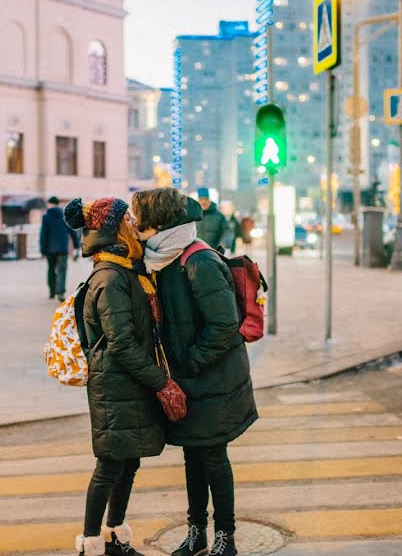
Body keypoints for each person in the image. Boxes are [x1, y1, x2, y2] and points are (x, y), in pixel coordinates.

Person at [131, 187, 258, 556]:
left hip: (213, 379)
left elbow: (223, 326)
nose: (136, 224)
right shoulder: (162, 257)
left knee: (214, 459)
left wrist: (188, 363)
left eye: (141, 217)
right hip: (189, 380)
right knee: (192, 455)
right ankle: (196, 531)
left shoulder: (197, 260)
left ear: (159, 221)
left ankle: (226, 537)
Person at [64, 197, 187, 556]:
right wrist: (161, 382)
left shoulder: (126, 269)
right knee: (110, 465)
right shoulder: (110, 277)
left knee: (127, 462)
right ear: (115, 229)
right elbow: (121, 343)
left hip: (127, 383)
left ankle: (115, 534)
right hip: (116, 384)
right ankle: (90, 542)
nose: (135, 223)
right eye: (128, 219)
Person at [40, 197, 78, 301]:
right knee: (62, 270)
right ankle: (60, 292)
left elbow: (43, 234)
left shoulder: (46, 217)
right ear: (57, 204)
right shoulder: (64, 216)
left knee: (51, 269)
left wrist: (42, 250)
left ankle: (52, 292)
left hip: (50, 250)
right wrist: (76, 245)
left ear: (50, 204)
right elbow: (72, 232)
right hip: (62, 248)